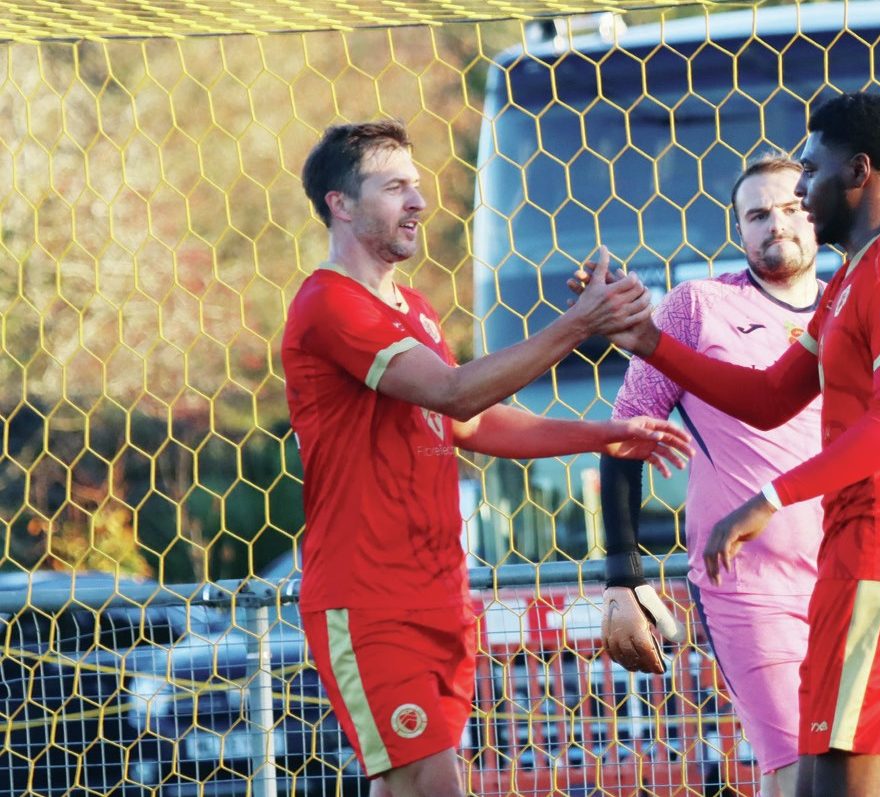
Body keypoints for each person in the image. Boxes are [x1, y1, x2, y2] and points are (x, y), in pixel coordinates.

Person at [281, 120, 693, 797]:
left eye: (416, 186)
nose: (419, 202)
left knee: (410, 784)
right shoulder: (328, 303)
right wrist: (580, 323)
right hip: (369, 600)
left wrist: (600, 434)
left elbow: (465, 419)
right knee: (430, 781)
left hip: (441, 591)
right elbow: (455, 390)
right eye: (395, 188)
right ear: (340, 204)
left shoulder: (415, 308)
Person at [583, 93, 880, 797]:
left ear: (858, 171)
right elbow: (768, 397)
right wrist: (647, 341)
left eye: (809, 176)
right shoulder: (847, 281)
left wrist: (769, 497)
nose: (797, 199)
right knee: (812, 781)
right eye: (760, 211)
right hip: (823, 567)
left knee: (836, 780)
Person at [597, 153, 825, 797]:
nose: (775, 224)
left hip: (849, 575)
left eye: (790, 207)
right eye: (757, 214)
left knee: (845, 770)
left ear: (816, 214)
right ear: (739, 230)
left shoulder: (848, 305)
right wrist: (623, 578)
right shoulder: (697, 307)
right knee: (797, 768)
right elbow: (626, 435)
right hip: (747, 584)